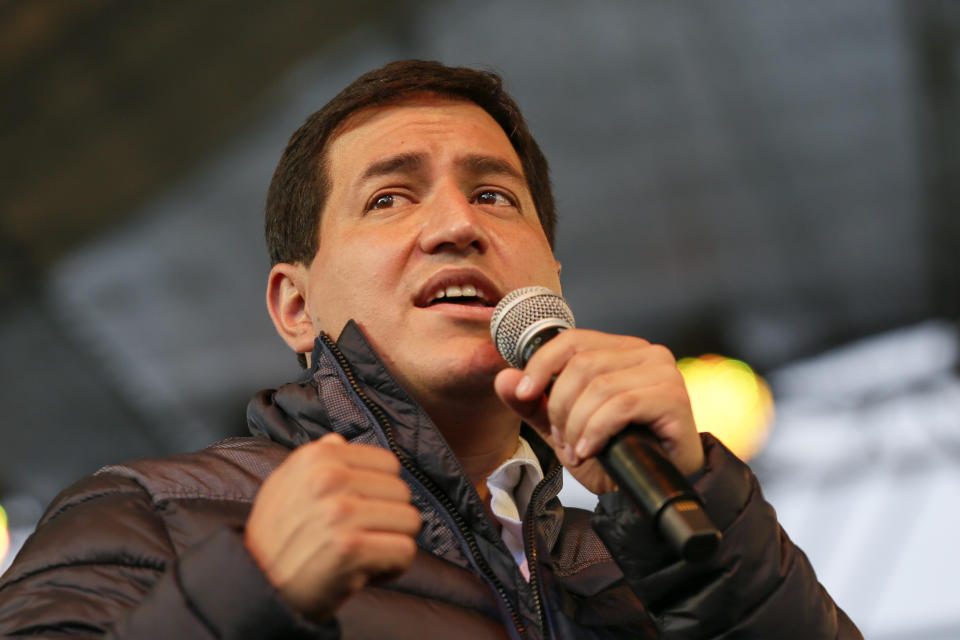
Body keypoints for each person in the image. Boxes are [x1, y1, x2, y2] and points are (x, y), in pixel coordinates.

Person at [0, 60, 861, 639]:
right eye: (389, 199)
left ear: (551, 275)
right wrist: (250, 593)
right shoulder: (156, 514)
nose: (457, 226)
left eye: (495, 195)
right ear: (294, 307)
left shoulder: (649, 562)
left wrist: (708, 519)